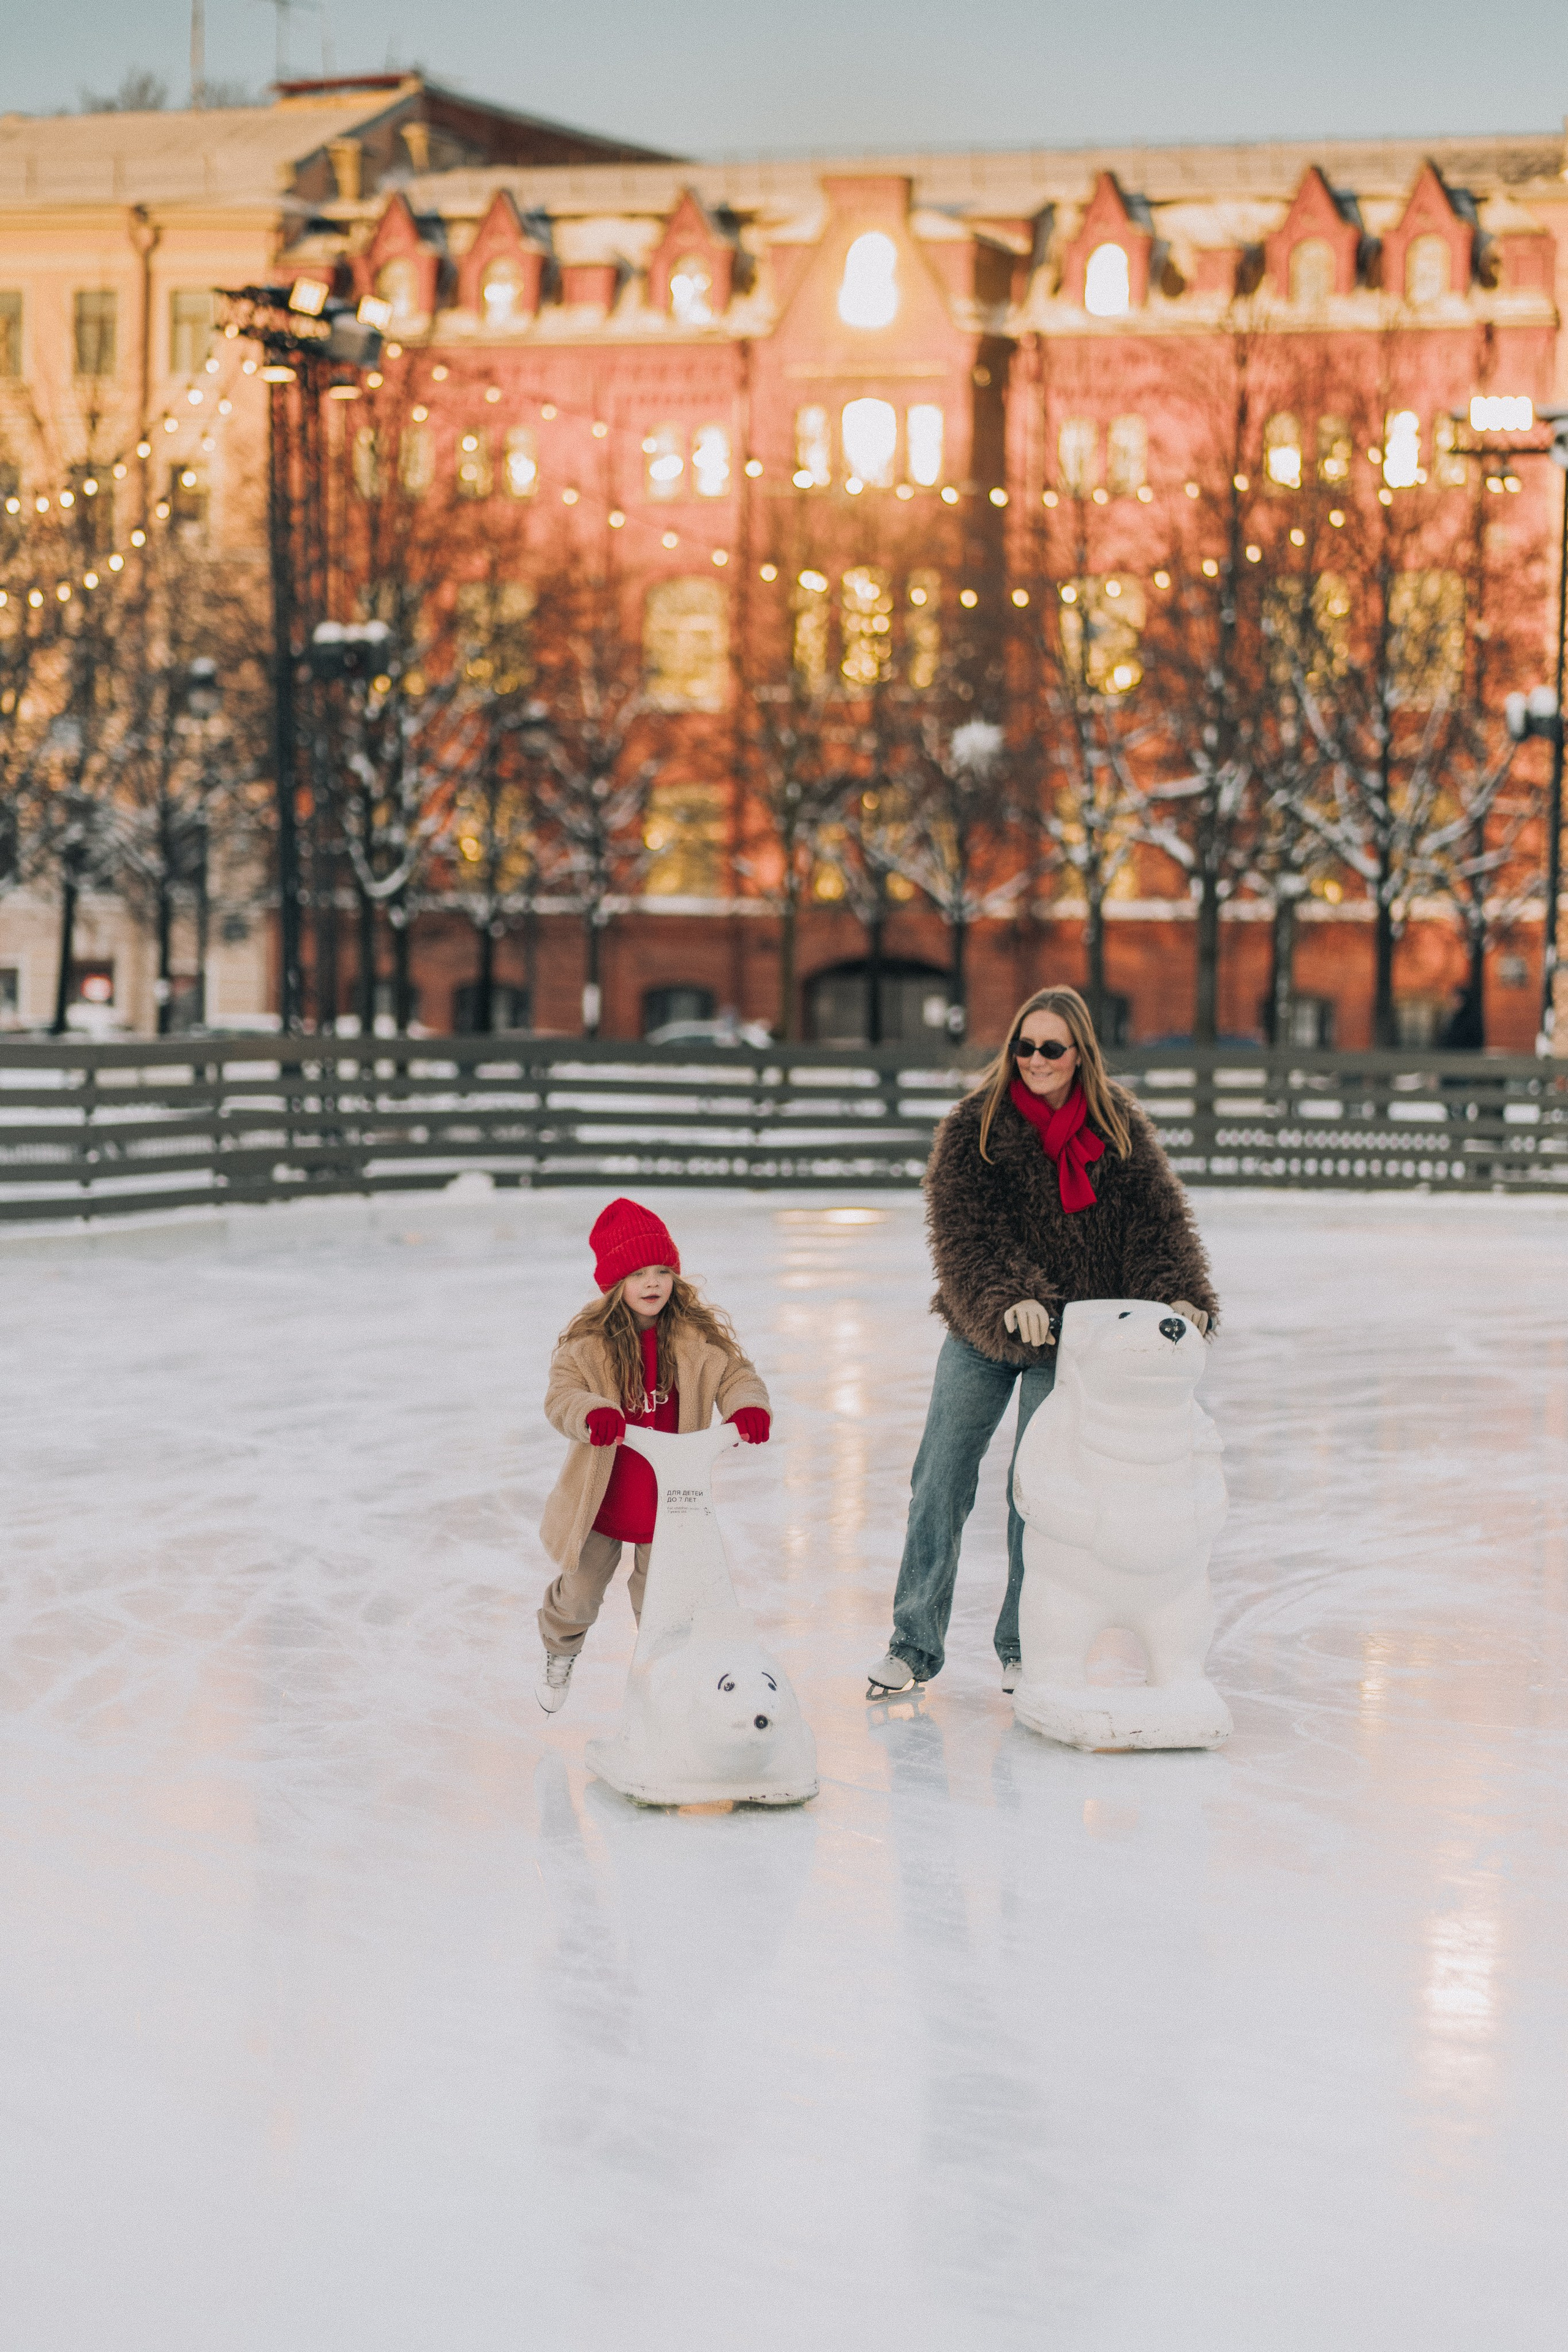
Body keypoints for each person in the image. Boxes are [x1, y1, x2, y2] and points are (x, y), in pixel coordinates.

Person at [866, 986, 1219, 1699]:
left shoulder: (1117, 1129)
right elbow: (962, 1234)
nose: (1035, 1060)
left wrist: (1182, 1291)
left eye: (1051, 1048)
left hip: (1072, 1342)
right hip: (985, 1330)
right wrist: (1009, 1299)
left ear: (1080, 1053)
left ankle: (1024, 1645)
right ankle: (912, 1643)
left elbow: (1157, 1225)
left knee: (1040, 1494)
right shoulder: (976, 1126)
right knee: (939, 1480)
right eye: (1024, 1047)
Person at [536, 1196, 772, 1714]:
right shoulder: (589, 1344)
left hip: (670, 1500)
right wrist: (593, 1411)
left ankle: (670, 1686)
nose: (653, 1283)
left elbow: (738, 1376)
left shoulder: (695, 1337)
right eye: (639, 1272)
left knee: (666, 1606)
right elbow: (562, 1396)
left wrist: (746, 1407)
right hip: (602, 1500)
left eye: (662, 1270)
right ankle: (559, 1651)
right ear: (615, 1282)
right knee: (579, 1597)